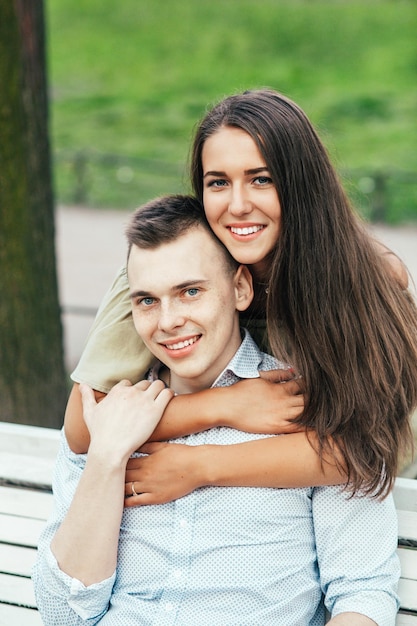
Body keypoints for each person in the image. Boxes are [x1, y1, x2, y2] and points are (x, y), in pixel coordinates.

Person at [33, 195, 400, 625]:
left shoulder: (304, 408)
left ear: (241, 288)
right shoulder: (107, 416)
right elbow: (64, 615)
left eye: (190, 292)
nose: (168, 321)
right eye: (147, 301)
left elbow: (362, 594)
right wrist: (107, 460)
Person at [65, 88, 417, 503]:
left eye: (261, 179)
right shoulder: (159, 276)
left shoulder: (357, 279)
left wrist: (200, 467)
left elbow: (366, 448)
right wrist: (225, 405)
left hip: (341, 501)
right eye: (218, 183)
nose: (237, 205)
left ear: (301, 185)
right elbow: (83, 427)